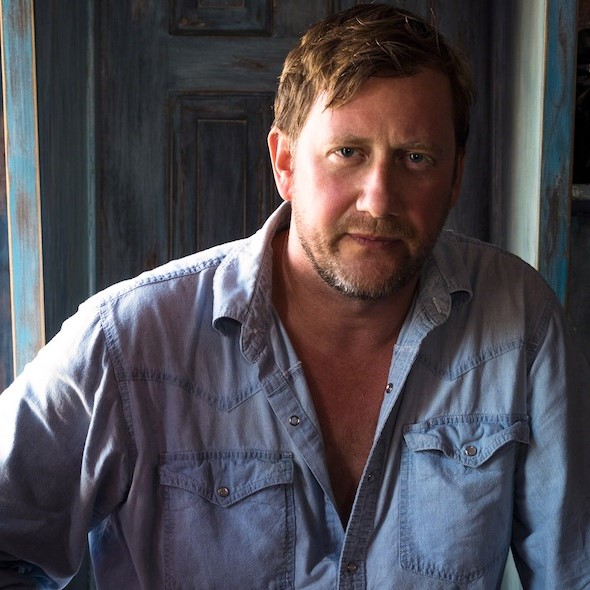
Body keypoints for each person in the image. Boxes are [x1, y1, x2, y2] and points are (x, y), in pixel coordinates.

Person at [1, 3, 589, 588]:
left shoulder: (522, 321)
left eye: (416, 158)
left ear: (455, 176)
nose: (379, 200)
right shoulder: (125, 340)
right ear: (285, 163)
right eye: (348, 153)